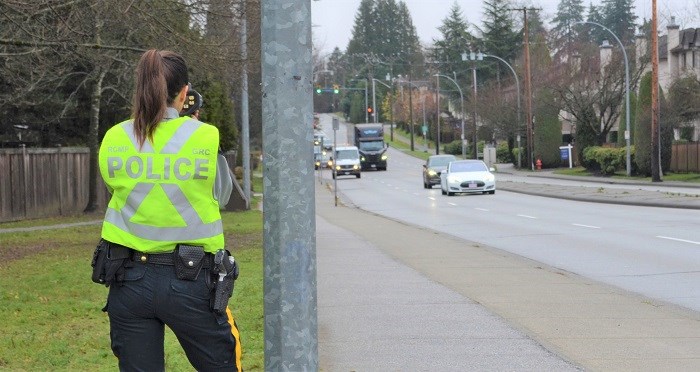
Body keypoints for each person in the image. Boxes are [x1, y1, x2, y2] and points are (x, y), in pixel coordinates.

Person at [97, 49, 241, 371]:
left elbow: (118, 189)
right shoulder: (203, 136)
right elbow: (223, 194)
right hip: (191, 281)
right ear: (185, 93)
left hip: (128, 280)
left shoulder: (115, 137)